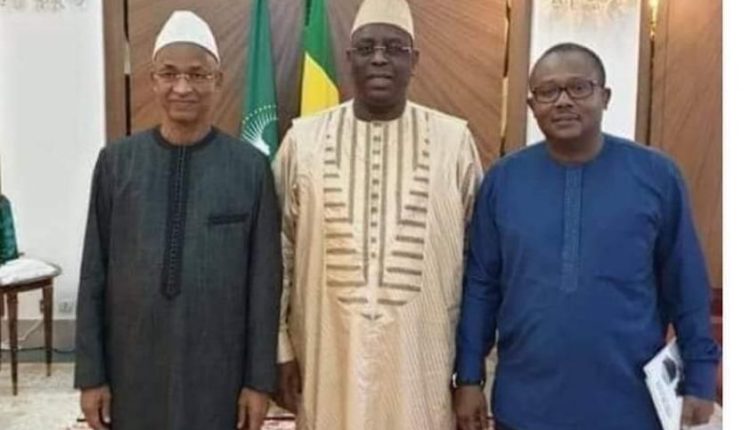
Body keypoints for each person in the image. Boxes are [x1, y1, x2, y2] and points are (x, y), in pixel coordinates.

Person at [453, 42, 720, 430]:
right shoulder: (503, 182)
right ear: (532, 106)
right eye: (547, 91)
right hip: (526, 406)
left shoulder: (657, 177)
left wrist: (700, 377)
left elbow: (686, 283)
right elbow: (481, 286)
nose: (563, 101)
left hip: (630, 408)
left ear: (605, 97)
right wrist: (469, 377)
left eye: (578, 87)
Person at [272, 0, 483, 428]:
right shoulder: (303, 141)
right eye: (367, 48)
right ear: (349, 58)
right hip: (325, 355)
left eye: (395, 48)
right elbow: (277, 250)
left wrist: (471, 370)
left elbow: (480, 262)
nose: (380, 58)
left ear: (414, 60)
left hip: (422, 362)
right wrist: (280, 349)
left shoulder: (454, 142)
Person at [74, 10, 281, 430]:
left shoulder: (250, 169)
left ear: (217, 80)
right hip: (132, 366)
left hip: (219, 371)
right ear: (153, 80)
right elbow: (93, 275)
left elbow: (265, 285)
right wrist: (91, 375)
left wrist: (258, 382)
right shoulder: (116, 164)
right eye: (169, 74)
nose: (182, 87)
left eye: (197, 74)